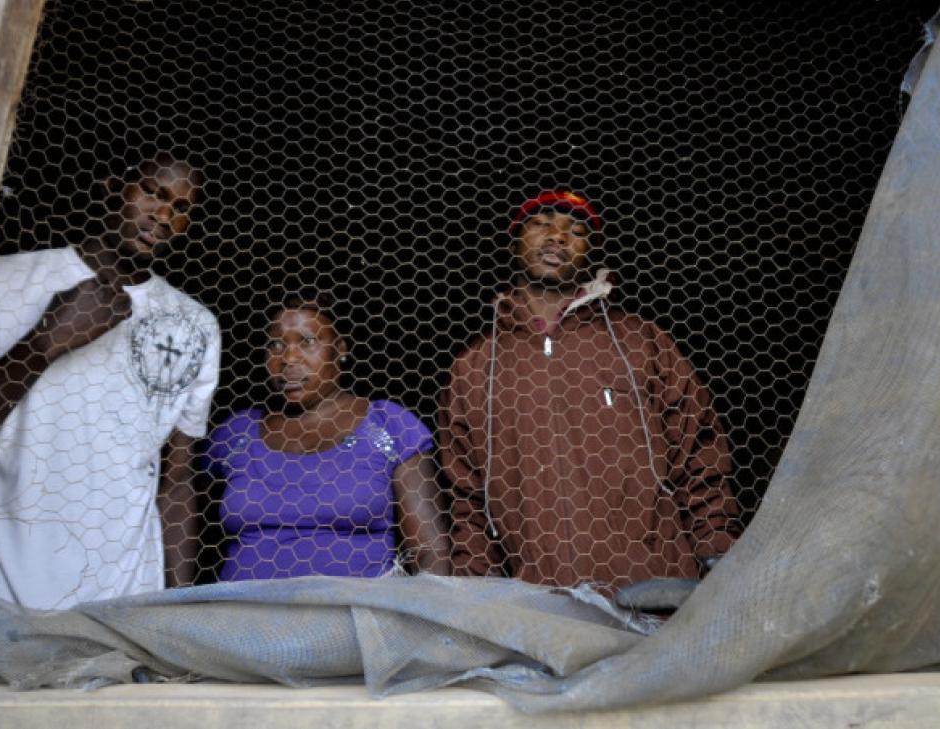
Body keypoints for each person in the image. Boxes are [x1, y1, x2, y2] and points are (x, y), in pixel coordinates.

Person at [0, 152, 221, 648]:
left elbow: (177, 481)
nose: (164, 215)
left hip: (112, 610)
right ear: (111, 186)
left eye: (181, 207)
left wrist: (175, 618)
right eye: (153, 193)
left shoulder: (194, 324)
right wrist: (45, 343)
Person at [439, 190, 741, 591]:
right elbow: (467, 500)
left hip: (656, 592)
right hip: (537, 606)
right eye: (543, 224)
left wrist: (718, 554)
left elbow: (700, 453)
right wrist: (476, 600)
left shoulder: (639, 341)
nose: (558, 237)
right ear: (515, 240)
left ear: (590, 254)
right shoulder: (474, 367)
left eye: (575, 231)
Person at [205, 296, 449, 579]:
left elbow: (429, 552)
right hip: (239, 615)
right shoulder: (236, 433)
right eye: (276, 344)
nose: (289, 358)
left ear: (340, 349)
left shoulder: (389, 426)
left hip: (354, 615)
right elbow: (183, 503)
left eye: (307, 342)